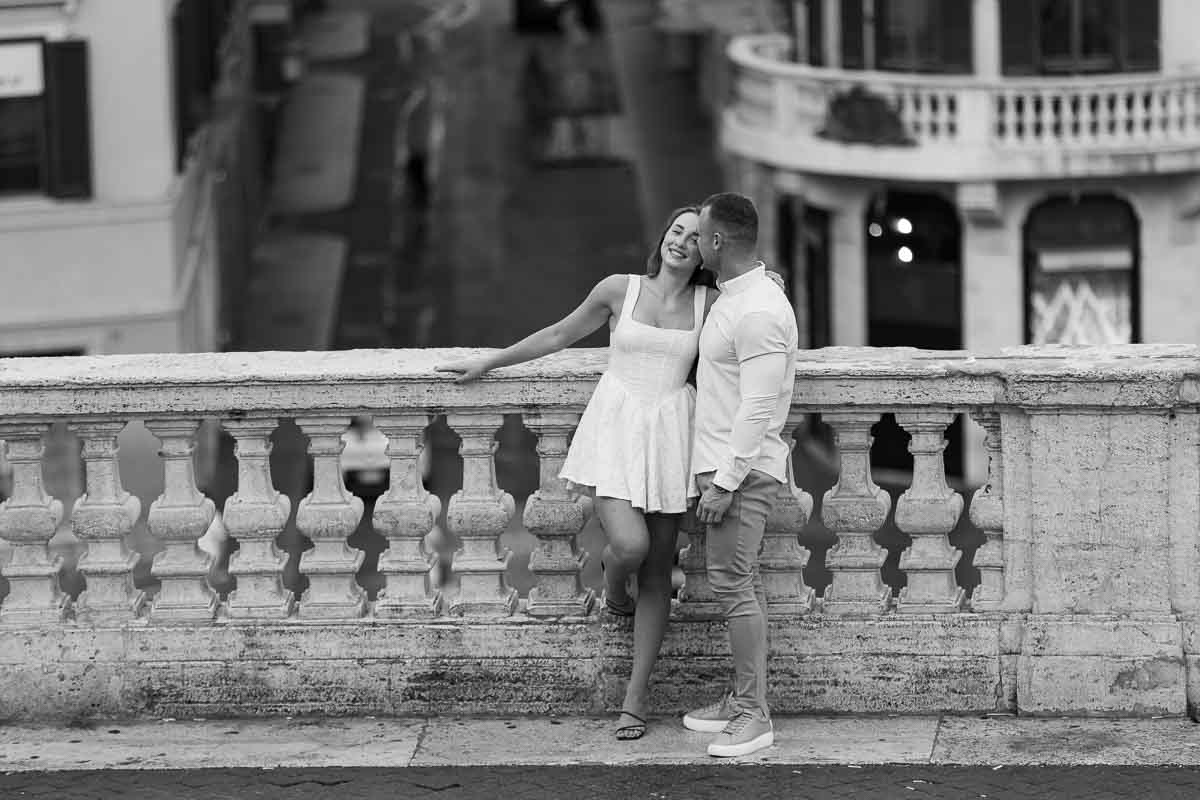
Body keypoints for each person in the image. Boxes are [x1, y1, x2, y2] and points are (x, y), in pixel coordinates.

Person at [436, 206, 714, 742]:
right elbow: (560, 334)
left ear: (709, 250)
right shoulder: (620, 289)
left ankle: (635, 700)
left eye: (696, 237)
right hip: (617, 427)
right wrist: (489, 363)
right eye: (677, 231)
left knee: (659, 570)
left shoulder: (712, 302)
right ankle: (614, 586)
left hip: (672, 432)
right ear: (664, 237)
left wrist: (765, 281)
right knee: (629, 547)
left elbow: (744, 330)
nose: (682, 242)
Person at [681, 192, 798, 759]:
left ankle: (755, 714)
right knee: (738, 582)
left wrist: (725, 483)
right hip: (732, 466)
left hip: (744, 472)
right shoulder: (745, 296)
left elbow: (758, 406)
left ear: (718, 241)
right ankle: (742, 700)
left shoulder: (756, 311)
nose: (696, 244)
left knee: (732, 584)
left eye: (700, 235)